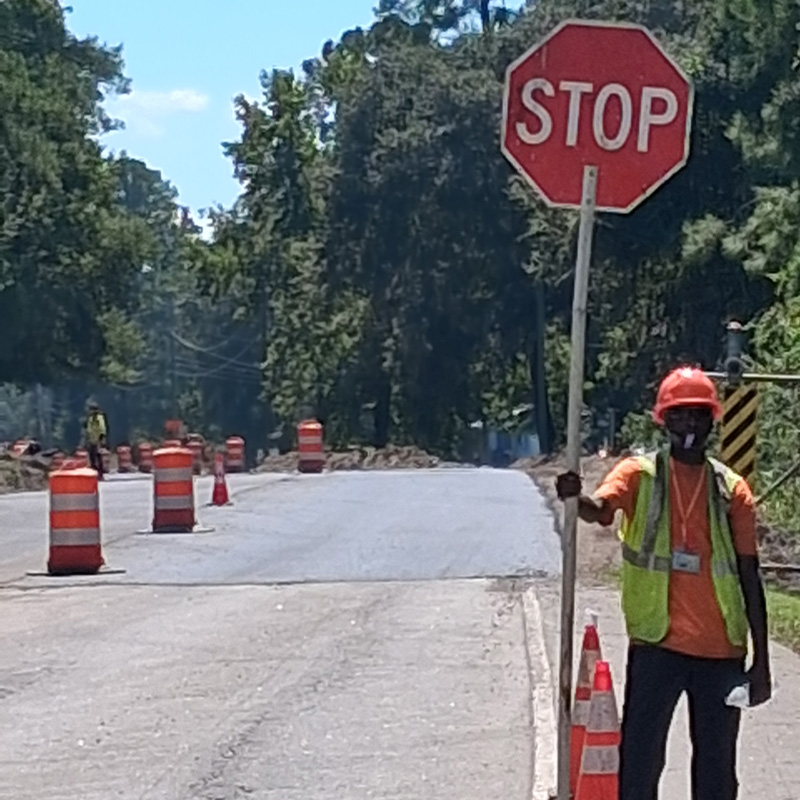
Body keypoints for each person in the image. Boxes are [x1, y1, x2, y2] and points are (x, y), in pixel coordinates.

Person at [556, 366, 771, 800]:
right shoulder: (640, 475)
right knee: (639, 761)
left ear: (712, 420)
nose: (689, 424)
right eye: (679, 415)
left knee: (716, 772)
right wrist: (575, 497)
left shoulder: (733, 491)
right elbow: (601, 509)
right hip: (657, 647)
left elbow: (750, 575)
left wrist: (761, 663)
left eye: (697, 415)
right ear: (663, 420)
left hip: (721, 653)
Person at [84, 401, 107, 478]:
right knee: (92, 457)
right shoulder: (90, 418)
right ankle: (94, 472)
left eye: (91, 409)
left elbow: (102, 428)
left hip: (98, 440)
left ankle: (100, 473)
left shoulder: (99, 417)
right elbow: (89, 428)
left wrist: (101, 438)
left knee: (98, 456)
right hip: (92, 440)